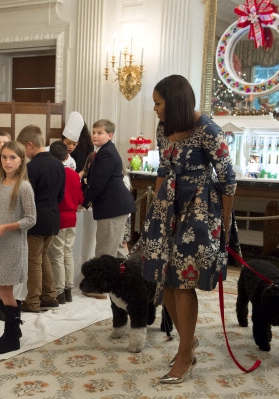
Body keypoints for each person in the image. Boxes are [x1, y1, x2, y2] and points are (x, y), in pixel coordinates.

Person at [142, 75, 236, 384]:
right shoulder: (163, 128)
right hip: (167, 207)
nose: (154, 108)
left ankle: (184, 355)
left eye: (158, 102)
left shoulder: (208, 129)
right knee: (166, 279)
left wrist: (223, 224)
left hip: (198, 210)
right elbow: (162, 169)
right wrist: (154, 211)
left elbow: (227, 179)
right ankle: (187, 342)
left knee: (183, 281)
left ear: (175, 102)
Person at [0, 141, 36, 355]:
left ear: (21, 161)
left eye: (13, 157)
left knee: (5, 289)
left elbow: (30, 219)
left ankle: (11, 336)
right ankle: (15, 327)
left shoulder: (24, 187)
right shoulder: (0, 183)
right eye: (4, 157)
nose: (8, 161)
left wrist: (6, 227)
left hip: (13, 244)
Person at [16, 125, 65, 313]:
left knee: (34, 260)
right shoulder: (58, 164)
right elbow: (60, 196)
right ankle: (50, 296)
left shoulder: (31, 167)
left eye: (22, 149)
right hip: (53, 217)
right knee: (44, 256)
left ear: (30, 145)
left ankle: (33, 301)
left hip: (36, 219)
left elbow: (28, 198)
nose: (22, 154)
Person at [81, 119, 135, 259]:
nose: (95, 135)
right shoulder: (105, 150)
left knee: (105, 253)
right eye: (93, 132)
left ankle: (107, 281)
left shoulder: (107, 153)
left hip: (112, 207)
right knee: (117, 249)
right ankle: (126, 278)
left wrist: (83, 201)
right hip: (116, 207)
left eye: (100, 133)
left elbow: (98, 183)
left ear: (110, 136)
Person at [48, 141, 84, 304]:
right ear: (66, 156)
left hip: (59, 217)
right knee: (67, 252)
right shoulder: (73, 174)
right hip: (72, 218)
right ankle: (69, 289)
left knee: (57, 256)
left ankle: (59, 290)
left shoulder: (55, 173)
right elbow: (80, 199)